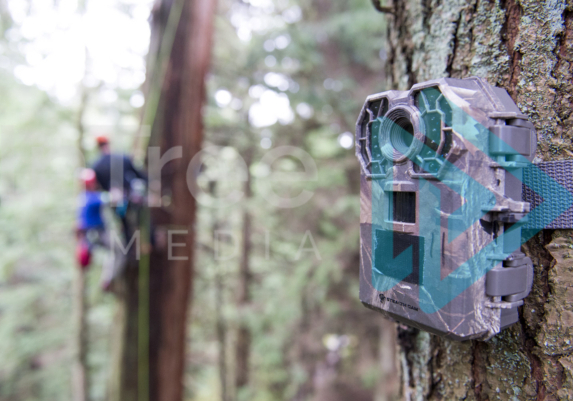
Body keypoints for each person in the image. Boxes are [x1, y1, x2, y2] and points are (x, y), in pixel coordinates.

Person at [91, 134, 147, 242]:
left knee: (124, 223)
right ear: (108, 144)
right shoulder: (122, 157)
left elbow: (98, 186)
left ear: (98, 147)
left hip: (115, 201)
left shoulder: (96, 165)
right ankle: (148, 240)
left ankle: (130, 246)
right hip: (131, 197)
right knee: (141, 215)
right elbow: (139, 175)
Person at [76, 168, 106, 268]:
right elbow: (109, 198)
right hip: (95, 232)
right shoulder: (92, 198)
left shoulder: (82, 197)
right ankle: (107, 280)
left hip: (88, 233)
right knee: (118, 251)